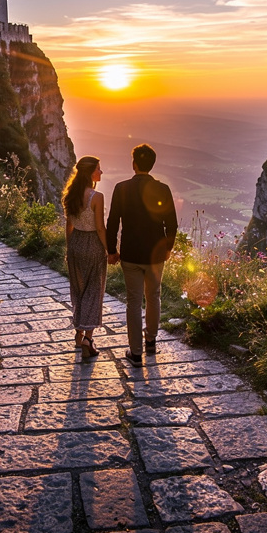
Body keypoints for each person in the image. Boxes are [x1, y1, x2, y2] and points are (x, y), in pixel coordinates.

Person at [106, 144, 178, 366]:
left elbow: (112, 223)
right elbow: (172, 224)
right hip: (155, 255)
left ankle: (135, 353)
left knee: (133, 301)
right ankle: (151, 342)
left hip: (131, 254)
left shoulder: (121, 188)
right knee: (153, 297)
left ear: (134, 163)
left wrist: (112, 251)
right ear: (152, 164)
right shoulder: (163, 189)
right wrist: (168, 248)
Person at [62, 156, 108, 357]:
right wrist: (110, 250)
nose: (101, 172)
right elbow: (99, 227)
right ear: (91, 173)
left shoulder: (71, 195)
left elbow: (69, 225)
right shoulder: (96, 197)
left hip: (75, 244)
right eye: (99, 169)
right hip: (92, 245)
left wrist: (69, 247)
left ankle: (78, 333)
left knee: (79, 289)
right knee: (94, 291)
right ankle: (89, 339)